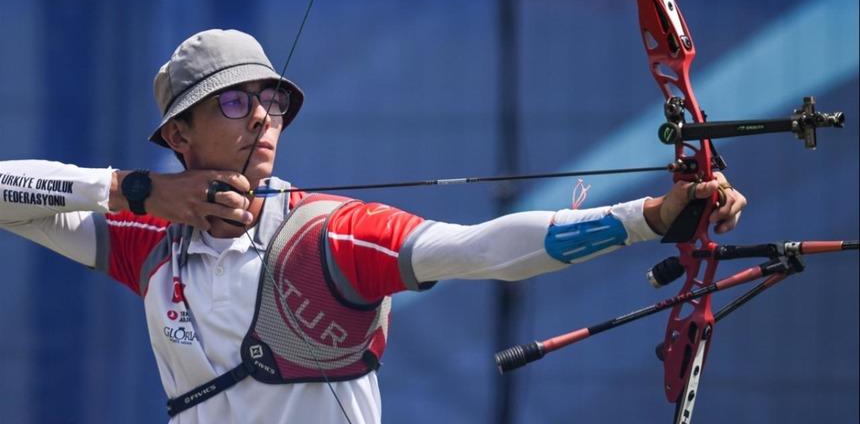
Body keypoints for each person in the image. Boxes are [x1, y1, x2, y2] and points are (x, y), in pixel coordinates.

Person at [0, 29, 746, 423]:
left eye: (271, 101)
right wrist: (131, 191)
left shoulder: (327, 238)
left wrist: (647, 218)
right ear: (179, 136)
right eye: (233, 102)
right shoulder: (150, 244)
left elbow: (480, 249)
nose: (261, 117)